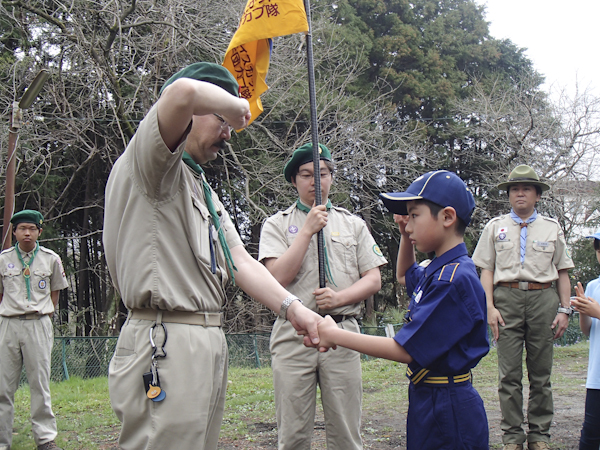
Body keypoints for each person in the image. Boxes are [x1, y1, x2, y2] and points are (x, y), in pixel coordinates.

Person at [102, 62, 324, 450]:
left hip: (203, 337)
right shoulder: (151, 162)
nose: (228, 134)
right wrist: (236, 104)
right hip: (165, 336)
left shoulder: (197, 182)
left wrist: (294, 309)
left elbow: (239, 260)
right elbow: (180, 94)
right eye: (222, 121)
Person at [314, 170, 490, 450]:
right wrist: (405, 237)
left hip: (448, 404)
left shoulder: (453, 280)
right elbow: (405, 274)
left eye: (414, 215)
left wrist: (334, 334)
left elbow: (404, 349)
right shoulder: (439, 269)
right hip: (428, 395)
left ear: (447, 217)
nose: (407, 224)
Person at [258, 143, 387, 449]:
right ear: (294, 180)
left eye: (323, 173)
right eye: (306, 174)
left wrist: (340, 298)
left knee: (346, 432)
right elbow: (276, 279)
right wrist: (306, 231)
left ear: (332, 177)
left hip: (343, 333)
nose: (316, 181)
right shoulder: (276, 225)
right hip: (293, 335)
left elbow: (373, 279)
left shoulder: (353, 224)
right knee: (292, 435)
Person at [472, 164, 574, 450]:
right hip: (507, 300)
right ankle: (513, 437)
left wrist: (565, 310)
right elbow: (487, 271)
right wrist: (489, 307)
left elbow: (562, 272)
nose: (520, 193)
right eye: (515, 189)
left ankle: (540, 435)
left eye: (526, 189)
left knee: (541, 374)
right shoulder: (495, 227)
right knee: (509, 375)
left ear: (537, 195)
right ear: (509, 194)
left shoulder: (552, 228)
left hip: (543, 299)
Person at [0, 210, 68, 450]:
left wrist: (44, 314)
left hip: (38, 324)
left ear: (39, 231)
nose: (26, 233)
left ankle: (45, 439)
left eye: (31, 228)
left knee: (40, 383)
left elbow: (55, 291)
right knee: (2, 386)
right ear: (15, 232)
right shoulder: (3, 259)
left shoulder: (51, 259)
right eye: (21, 229)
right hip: (8, 324)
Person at [571, 229, 600, 450]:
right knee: (589, 436)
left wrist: (597, 311)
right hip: (596, 377)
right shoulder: (593, 286)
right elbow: (588, 331)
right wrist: (583, 310)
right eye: (598, 247)